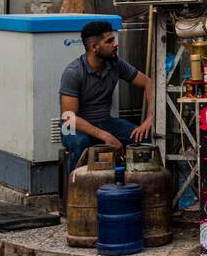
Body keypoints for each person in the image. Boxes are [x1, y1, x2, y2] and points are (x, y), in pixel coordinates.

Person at [60, 20, 154, 169]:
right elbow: (68, 117)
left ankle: (132, 186)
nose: (115, 44)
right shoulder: (74, 72)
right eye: (109, 41)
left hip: (104, 121)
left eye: (114, 39)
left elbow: (148, 83)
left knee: (144, 137)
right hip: (72, 126)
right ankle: (73, 189)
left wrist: (149, 118)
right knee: (80, 143)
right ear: (94, 47)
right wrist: (106, 136)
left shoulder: (115, 63)